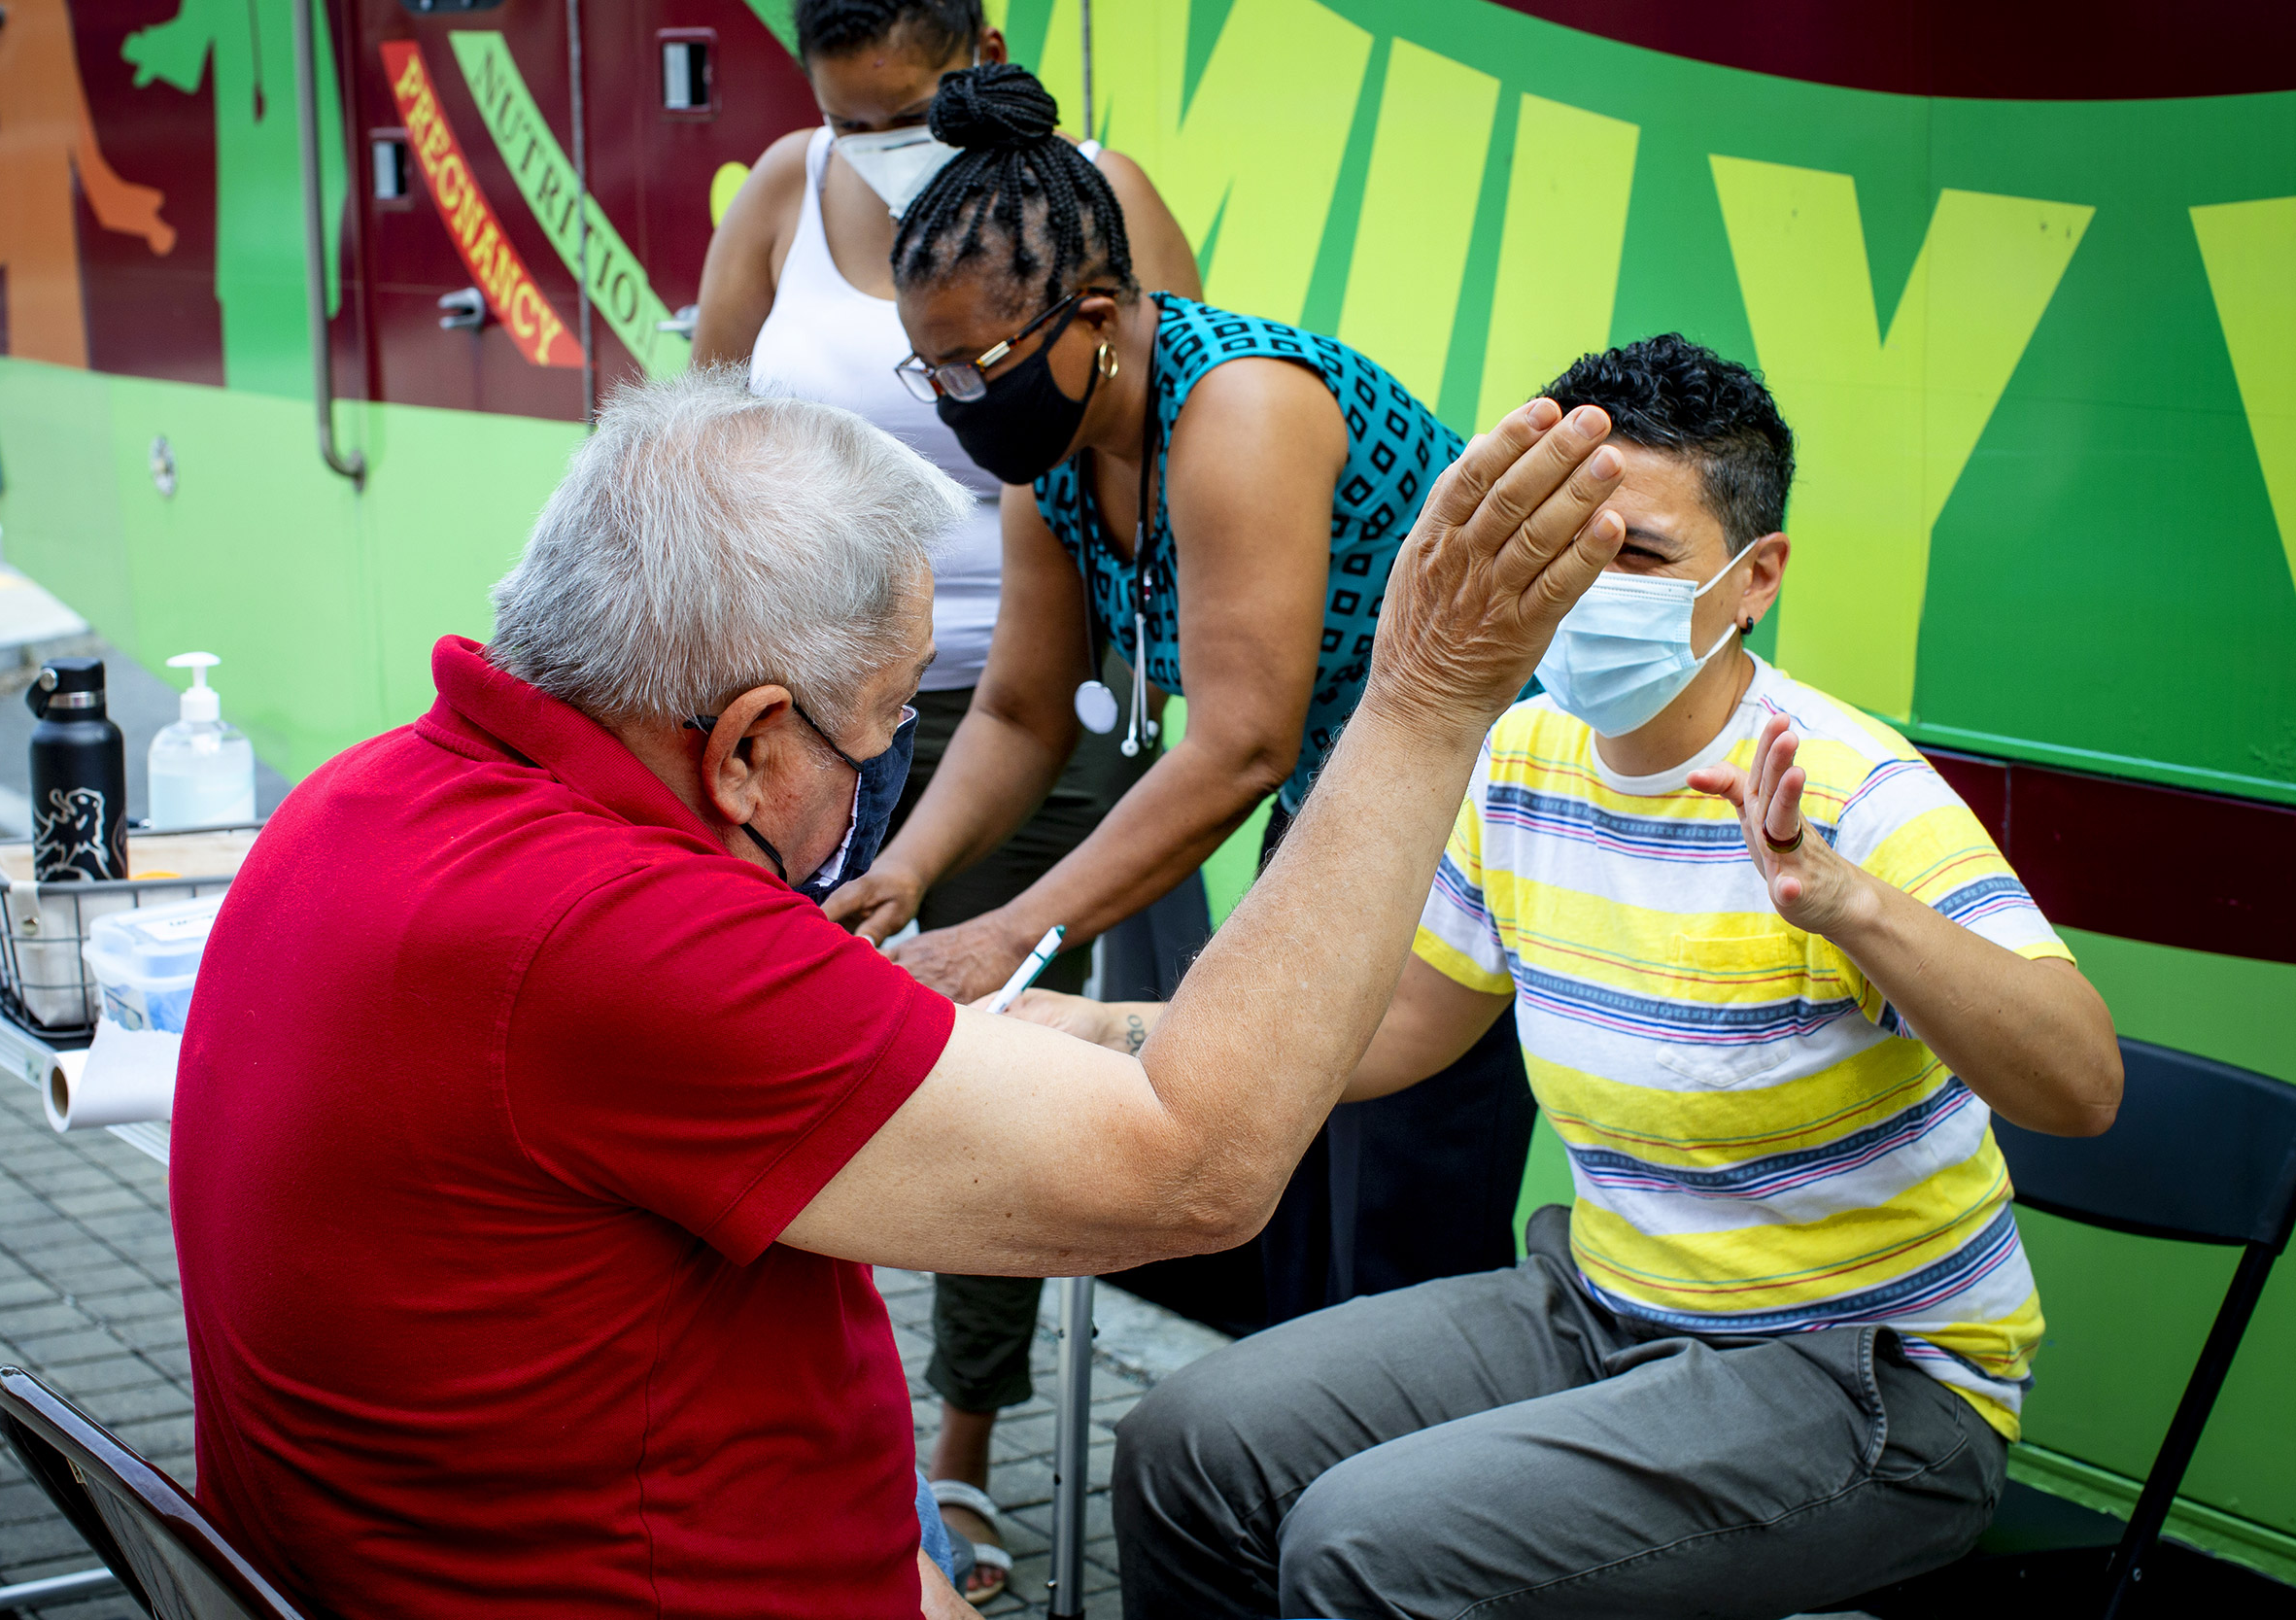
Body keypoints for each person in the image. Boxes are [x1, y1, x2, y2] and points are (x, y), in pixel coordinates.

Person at [168, 367, 1637, 1618]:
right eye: (886, 725)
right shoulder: (628, 938)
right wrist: (1429, 695)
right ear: (747, 744)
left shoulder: (366, 799)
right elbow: (1199, 1167)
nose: (890, 777)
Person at [1022, 335, 2126, 1619]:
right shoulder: (1525, 752)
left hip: (1866, 1381)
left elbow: (2082, 1084)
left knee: (1362, 1549)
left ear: (1755, 576)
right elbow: (1403, 1030)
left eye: (1644, 556)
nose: (1593, 585)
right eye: (1567, 544)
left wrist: (1847, 904)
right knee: (1188, 1445)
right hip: (1606, 1307)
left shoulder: (1850, 790)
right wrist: (1107, 1032)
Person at [828, 50, 1538, 1324]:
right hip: (1349, 798)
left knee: (1395, 1223)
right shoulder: (1048, 451)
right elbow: (1019, 711)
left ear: (1097, 317)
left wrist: (1010, 933)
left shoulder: (1241, 410)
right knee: (1291, 1185)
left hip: (1477, 798)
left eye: (973, 367)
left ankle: (1400, 1500)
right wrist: (909, 873)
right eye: (926, 373)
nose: (953, 403)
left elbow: (1242, 748)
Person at [693, 11, 1202, 1590]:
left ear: (981, 47)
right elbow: (696, 436)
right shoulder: (783, 191)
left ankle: (957, 1457)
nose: (878, 145)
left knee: (971, 1075)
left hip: (1036, 712)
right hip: (805, 719)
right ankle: (783, 1430)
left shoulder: (1087, 201)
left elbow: (1166, 437)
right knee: (768, 1065)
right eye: (848, 118)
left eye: (905, 114)